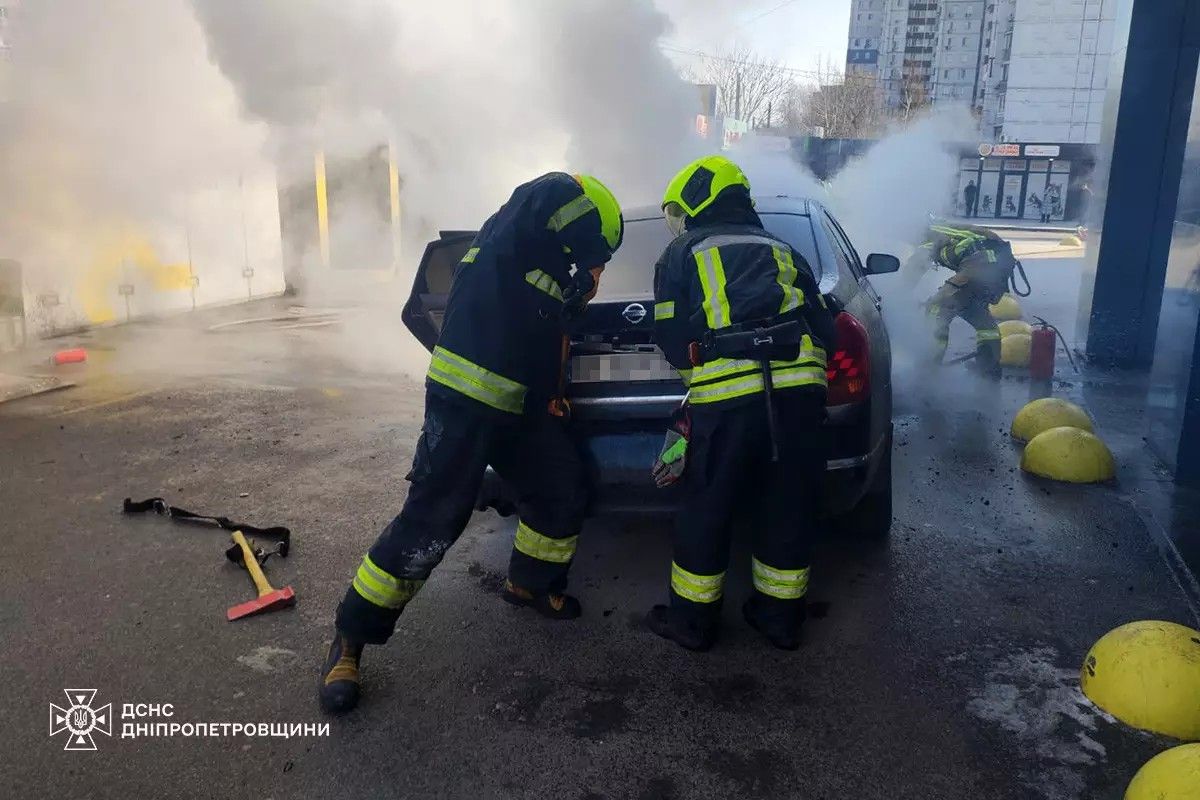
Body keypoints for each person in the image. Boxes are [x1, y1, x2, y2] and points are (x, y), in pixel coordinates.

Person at [319, 172, 624, 713]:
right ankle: (350, 639)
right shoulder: (541, 200)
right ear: (589, 215)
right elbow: (564, 217)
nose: (596, 265)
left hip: (519, 408)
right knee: (433, 522)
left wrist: (554, 389)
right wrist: (594, 259)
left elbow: (546, 333)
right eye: (600, 250)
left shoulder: (543, 263)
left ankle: (528, 584)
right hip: (465, 401)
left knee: (560, 485)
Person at [645, 155, 835, 652]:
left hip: (726, 406)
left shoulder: (683, 252)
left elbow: (668, 333)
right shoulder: (785, 249)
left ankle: (692, 623)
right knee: (787, 505)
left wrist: (701, 382)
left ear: (695, 199)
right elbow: (826, 328)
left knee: (706, 508)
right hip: (798, 404)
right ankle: (779, 620)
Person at [905, 221, 1016, 377]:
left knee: (937, 308)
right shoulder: (946, 227)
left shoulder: (928, 236)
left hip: (979, 264)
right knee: (973, 308)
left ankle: (928, 368)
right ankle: (989, 367)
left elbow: (914, 269)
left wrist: (897, 294)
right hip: (999, 266)